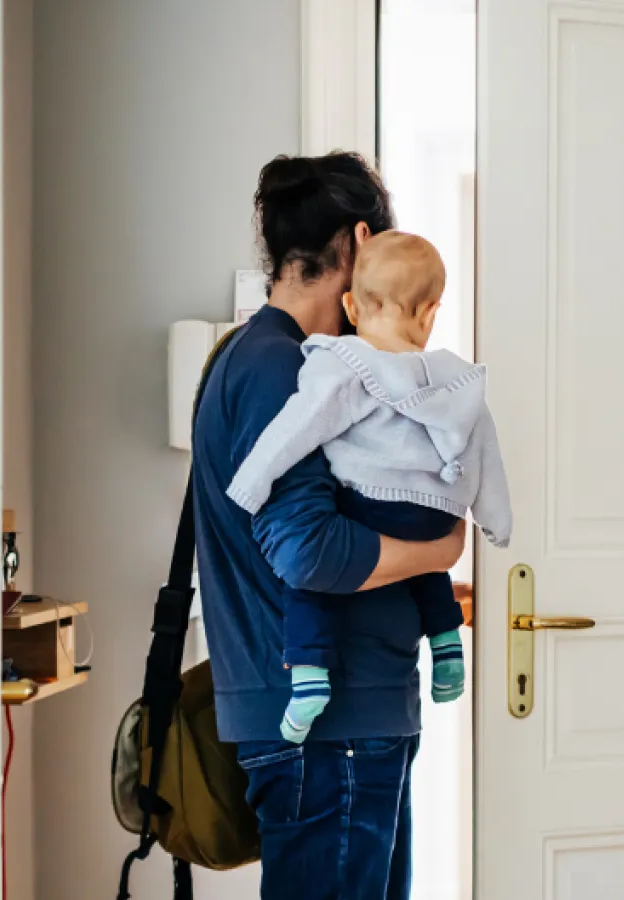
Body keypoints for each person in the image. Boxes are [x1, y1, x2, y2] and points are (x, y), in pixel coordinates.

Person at [191, 152, 466, 900]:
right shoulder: (286, 371)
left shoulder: (268, 360)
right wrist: (439, 547)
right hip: (331, 732)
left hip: (335, 727)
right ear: (357, 240)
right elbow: (307, 549)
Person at [227, 230, 511, 743]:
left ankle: (310, 678)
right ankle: (447, 644)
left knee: (307, 582)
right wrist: (495, 523)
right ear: (429, 314)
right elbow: (485, 453)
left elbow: (296, 428)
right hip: (437, 511)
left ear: (351, 306)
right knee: (423, 556)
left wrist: (251, 483)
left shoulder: (345, 364)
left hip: (368, 501)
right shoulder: (457, 382)